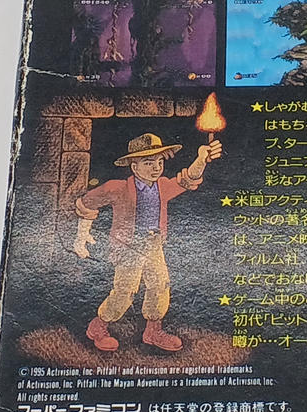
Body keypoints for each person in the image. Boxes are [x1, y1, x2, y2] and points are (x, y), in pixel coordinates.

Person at [72, 132, 222, 351]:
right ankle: (98, 326)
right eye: (148, 162)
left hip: (154, 244)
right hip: (129, 247)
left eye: (160, 162)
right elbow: (87, 202)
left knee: (160, 285)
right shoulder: (118, 188)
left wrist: (201, 158)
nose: (156, 167)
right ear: (134, 166)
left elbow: (188, 178)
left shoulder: (163, 186)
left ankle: (153, 331)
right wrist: (82, 235)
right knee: (125, 291)